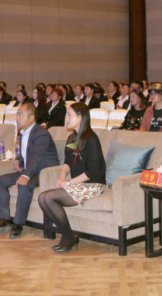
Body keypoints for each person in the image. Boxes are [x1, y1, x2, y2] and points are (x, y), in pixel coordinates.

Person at [38, 103, 106, 253]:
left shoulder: (91, 139)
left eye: (70, 115)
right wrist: (62, 177)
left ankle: (68, 236)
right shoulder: (71, 137)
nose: (66, 118)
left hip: (92, 184)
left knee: (48, 197)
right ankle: (69, 235)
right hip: (78, 184)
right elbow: (67, 162)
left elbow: (92, 172)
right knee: (42, 198)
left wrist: (68, 183)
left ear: (80, 117)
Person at [0, 103, 59, 238]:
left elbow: (35, 156)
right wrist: (17, 160)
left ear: (31, 118)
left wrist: (25, 175)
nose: (17, 117)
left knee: (24, 185)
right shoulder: (22, 133)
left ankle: (18, 224)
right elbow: (25, 153)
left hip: (44, 173)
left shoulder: (41, 133)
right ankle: (4, 220)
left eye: (20, 114)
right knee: (0, 181)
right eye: (17, 114)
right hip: (30, 170)